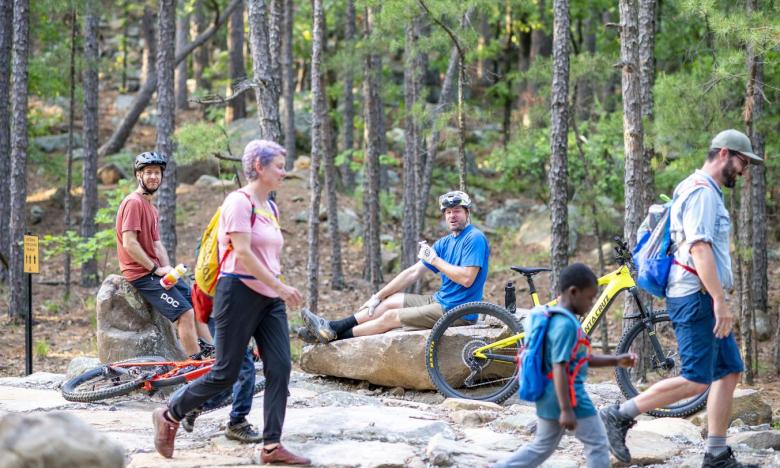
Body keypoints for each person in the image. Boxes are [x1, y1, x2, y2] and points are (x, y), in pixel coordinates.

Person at [599, 129, 763, 468]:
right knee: (696, 378)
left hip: (699, 294)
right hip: (696, 296)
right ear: (723, 154)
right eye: (743, 161)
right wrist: (719, 300)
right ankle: (618, 415)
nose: (744, 170)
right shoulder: (701, 192)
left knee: (728, 370)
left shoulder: (699, 189)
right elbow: (699, 247)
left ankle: (716, 453)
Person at [152, 140, 309, 465]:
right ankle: (170, 414)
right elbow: (243, 253)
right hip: (237, 293)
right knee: (226, 371)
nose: (283, 171)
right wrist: (282, 287)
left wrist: (277, 289)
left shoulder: (271, 207)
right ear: (258, 168)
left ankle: (271, 446)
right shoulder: (238, 202)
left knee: (280, 368)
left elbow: (267, 255)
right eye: (278, 166)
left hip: (269, 301)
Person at [493, 263, 636, 468]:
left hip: (548, 394)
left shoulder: (557, 319)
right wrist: (566, 409)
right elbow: (559, 367)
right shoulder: (566, 325)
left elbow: (579, 359)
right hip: (569, 397)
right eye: (590, 297)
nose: (591, 303)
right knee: (597, 443)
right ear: (573, 292)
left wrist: (616, 360)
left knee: (542, 446)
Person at [300, 190, 489, 343]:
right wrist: (378, 296)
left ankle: (334, 336)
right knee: (390, 301)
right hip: (441, 301)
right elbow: (413, 272)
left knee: (390, 317)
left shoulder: (474, 238)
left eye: (457, 210)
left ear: (467, 213)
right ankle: (331, 327)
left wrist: (435, 260)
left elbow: (466, 279)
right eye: (448, 212)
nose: (452, 216)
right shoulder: (444, 243)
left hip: (459, 311)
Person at [116, 151, 212, 357]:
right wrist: (155, 269)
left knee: (196, 302)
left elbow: (158, 245)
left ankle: (214, 355)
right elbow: (129, 243)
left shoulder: (151, 207)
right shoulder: (133, 202)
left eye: (157, 173)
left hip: (155, 272)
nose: (153, 177)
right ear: (138, 175)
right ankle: (194, 365)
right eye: (148, 172)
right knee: (185, 313)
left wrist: (169, 271)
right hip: (140, 274)